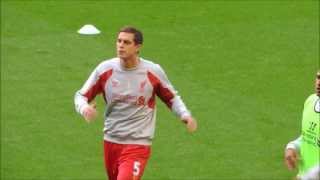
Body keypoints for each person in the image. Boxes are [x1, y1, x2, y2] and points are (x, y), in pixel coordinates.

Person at [74, 26, 197, 180]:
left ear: (138, 47)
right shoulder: (105, 70)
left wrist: (184, 114)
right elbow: (80, 96)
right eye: (119, 41)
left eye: (126, 42)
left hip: (138, 144)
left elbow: (171, 97)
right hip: (111, 140)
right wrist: (84, 108)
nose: (121, 45)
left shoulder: (152, 71)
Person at [284, 70, 320, 180]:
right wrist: (292, 146)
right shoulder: (310, 101)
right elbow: (308, 136)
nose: (319, 82)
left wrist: (306, 178)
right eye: (318, 77)